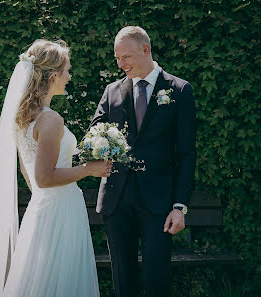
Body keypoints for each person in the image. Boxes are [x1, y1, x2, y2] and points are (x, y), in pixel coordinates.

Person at [0, 39, 112, 297]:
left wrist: (46, 199)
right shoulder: (50, 119)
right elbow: (45, 178)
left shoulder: (25, 117)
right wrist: (89, 169)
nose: (69, 76)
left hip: (42, 208)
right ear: (54, 76)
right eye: (67, 70)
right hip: (61, 209)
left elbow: (28, 173)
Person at [89, 26, 196, 297]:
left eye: (125, 57)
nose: (120, 64)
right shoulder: (112, 91)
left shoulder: (179, 90)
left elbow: (186, 153)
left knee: (155, 278)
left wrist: (179, 206)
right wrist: (97, 148)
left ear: (145, 50)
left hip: (159, 202)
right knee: (123, 281)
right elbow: (93, 134)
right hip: (117, 199)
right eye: (117, 59)